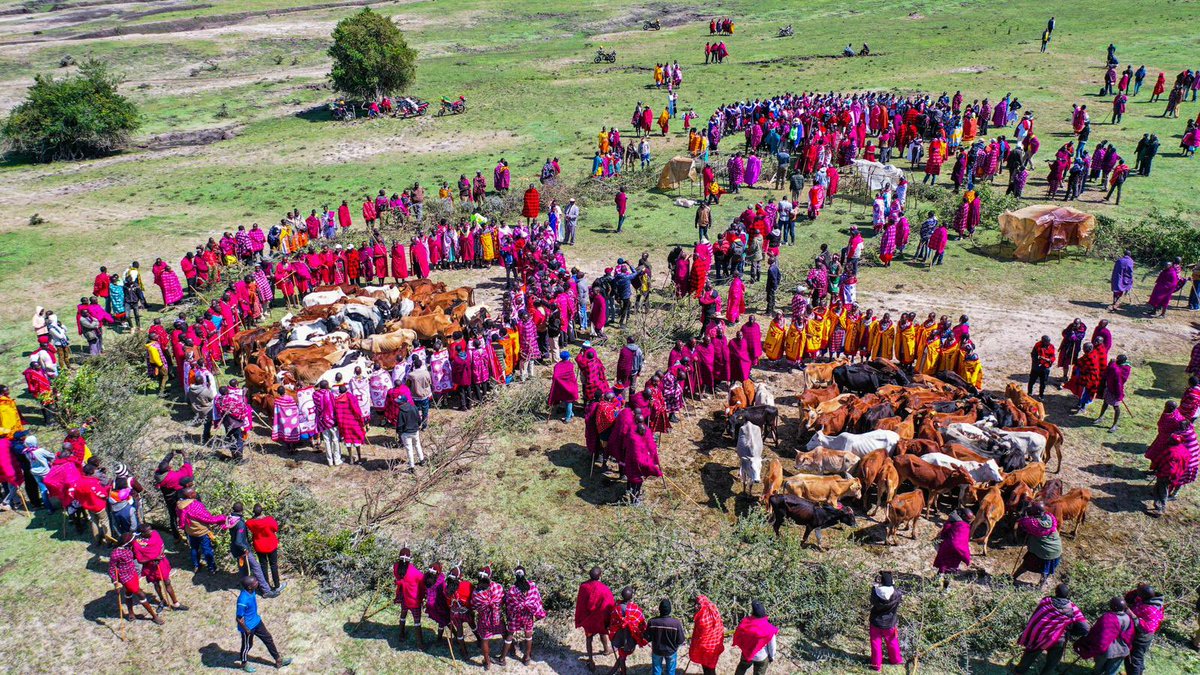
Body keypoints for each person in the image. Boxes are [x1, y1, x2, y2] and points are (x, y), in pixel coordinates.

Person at [1014, 583, 1088, 675]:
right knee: (1052, 662)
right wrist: (1070, 631)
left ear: (1055, 592)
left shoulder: (1046, 601)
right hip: (1059, 638)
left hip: (1040, 635)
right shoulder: (1073, 608)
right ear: (1068, 595)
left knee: (1030, 653)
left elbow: (1036, 617)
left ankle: (1019, 672)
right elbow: (1085, 629)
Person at [236, 576, 292, 672]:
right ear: (250, 587)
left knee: (268, 638)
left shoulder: (251, 591)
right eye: (255, 582)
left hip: (257, 622)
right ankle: (244, 664)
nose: (257, 582)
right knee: (247, 646)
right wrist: (246, 629)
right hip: (248, 627)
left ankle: (279, 660)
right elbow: (238, 618)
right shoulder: (242, 600)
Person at [109, 533, 164, 625]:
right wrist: (115, 583)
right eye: (133, 541)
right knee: (141, 595)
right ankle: (154, 616)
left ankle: (131, 614)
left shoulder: (128, 548)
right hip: (125, 577)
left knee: (128, 593)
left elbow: (137, 556)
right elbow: (111, 568)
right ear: (128, 543)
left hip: (133, 573)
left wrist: (152, 557)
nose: (135, 542)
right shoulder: (116, 554)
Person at [132, 523, 187, 611]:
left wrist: (160, 555)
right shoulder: (137, 544)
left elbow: (162, 545)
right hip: (150, 567)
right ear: (142, 533)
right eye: (148, 531)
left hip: (161, 563)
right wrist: (153, 559)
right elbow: (140, 560)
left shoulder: (155, 534)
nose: (151, 531)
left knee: (167, 582)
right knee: (156, 584)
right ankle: (162, 600)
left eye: (151, 529)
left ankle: (176, 603)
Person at [1073, 597, 1135, 675]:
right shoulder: (1129, 618)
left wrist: (1086, 641)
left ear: (1113, 606)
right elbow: (1129, 636)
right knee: (1111, 672)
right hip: (1122, 650)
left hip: (1106, 650)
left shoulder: (1108, 618)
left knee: (1098, 671)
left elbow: (1097, 633)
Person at [503, 566, 546, 666]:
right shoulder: (532, 585)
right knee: (528, 635)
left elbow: (509, 604)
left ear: (515, 576)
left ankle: (502, 658)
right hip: (528, 615)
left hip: (515, 616)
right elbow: (537, 599)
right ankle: (527, 657)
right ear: (525, 574)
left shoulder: (512, 590)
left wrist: (509, 615)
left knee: (510, 634)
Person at [575, 567, 616, 670]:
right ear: (600, 576)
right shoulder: (604, 589)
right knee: (602, 632)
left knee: (589, 639)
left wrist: (580, 618)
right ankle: (606, 650)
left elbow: (581, 604)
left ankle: (591, 661)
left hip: (588, 620)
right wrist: (609, 620)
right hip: (600, 619)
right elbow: (610, 605)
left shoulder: (584, 586)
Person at [177, 486, 224, 573]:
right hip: (202, 532)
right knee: (207, 550)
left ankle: (196, 566)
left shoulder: (180, 505)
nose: (196, 493)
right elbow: (208, 519)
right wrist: (222, 518)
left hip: (190, 532)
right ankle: (211, 568)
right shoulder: (195, 505)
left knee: (194, 548)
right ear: (190, 496)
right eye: (194, 492)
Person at [1014, 503, 1062, 587]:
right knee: (1046, 570)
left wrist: (1024, 515)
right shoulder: (1051, 518)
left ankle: (1013, 578)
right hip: (1056, 550)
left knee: (1026, 564)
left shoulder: (1035, 524)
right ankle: (1040, 586)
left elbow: (1022, 522)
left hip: (1044, 551)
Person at [606, 586, 648, 675]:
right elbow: (641, 623)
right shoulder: (635, 609)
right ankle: (622, 673)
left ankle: (615, 671)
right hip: (630, 637)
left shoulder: (616, 608)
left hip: (618, 636)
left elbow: (612, 621)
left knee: (622, 654)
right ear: (631, 597)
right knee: (622, 656)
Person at [1124, 584, 1164, 675]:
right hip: (1143, 635)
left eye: (1139, 593)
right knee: (1138, 657)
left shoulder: (1150, 609)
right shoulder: (1153, 600)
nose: (1137, 594)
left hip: (1142, 637)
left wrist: (1132, 615)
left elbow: (1145, 628)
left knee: (1133, 659)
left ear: (1144, 595)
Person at [868, 571, 903, 671]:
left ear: (881, 582)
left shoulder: (876, 592)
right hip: (890, 623)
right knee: (892, 642)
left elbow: (872, 601)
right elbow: (898, 595)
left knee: (876, 643)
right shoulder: (896, 593)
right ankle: (896, 660)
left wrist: (874, 587)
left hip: (876, 622)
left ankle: (876, 665)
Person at [393, 548, 427, 649]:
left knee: (403, 614)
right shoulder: (415, 572)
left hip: (403, 596)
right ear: (409, 558)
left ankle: (401, 634)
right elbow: (423, 583)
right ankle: (420, 645)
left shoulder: (396, 567)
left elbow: (397, 578)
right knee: (417, 622)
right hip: (413, 600)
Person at [732, 600, 778, 675]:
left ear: (753, 612)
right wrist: (772, 657)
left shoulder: (745, 623)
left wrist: (743, 647)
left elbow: (739, 634)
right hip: (761, 657)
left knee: (741, 668)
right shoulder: (769, 629)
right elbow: (772, 646)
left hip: (746, 654)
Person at [932, 509, 973, 589]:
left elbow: (944, 533)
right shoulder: (966, 527)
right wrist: (967, 558)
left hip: (947, 548)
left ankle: (936, 582)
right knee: (950, 569)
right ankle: (945, 588)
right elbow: (965, 540)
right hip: (958, 552)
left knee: (943, 565)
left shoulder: (951, 522)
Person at [246, 504, 281, 592]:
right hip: (271, 545)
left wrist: (254, 517)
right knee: (273, 565)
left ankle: (266, 586)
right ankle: (277, 585)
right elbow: (276, 528)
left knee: (263, 566)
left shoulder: (250, 522)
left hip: (259, 546)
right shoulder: (269, 520)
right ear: (262, 511)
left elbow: (248, 523)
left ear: (254, 512)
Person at [647, 598, 686, 675]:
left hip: (657, 651)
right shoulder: (676, 623)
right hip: (671, 651)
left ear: (659, 609)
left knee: (656, 672)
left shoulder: (652, 622)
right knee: (671, 672)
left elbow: (647, 638)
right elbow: (680, 640)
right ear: (670, 610)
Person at [687, 594, 724, 675]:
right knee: (711, 666)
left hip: (706, 648)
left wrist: (693, 648)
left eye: (698, 604)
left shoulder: (702, 620)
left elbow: (698, 637)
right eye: (696, 603)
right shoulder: (713, 609)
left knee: (708, 668)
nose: (696, 606)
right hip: (715, 644)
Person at [1096, 354, 1131, 432]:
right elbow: (1108, 372)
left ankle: (1114, 425)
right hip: (1109, 388)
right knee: (1105, 402)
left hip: (1116, 391)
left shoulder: (1125, 369)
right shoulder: (1115, 366)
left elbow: (1119, 378)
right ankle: (1100, 417)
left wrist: (1112, 364)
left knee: (1116, 407)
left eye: (1118, 359)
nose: (1116, 360)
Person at [395, 394, 425, 471]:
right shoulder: (414, 407)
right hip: (415, 431)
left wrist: (399, 433)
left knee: (409, 449)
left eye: (399, 402)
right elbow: (419, 419)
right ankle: (422, 460)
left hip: (406, 433)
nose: (398, 403)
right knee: (417, 445)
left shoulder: (401, 412)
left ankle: (412, 467)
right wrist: (417, 427)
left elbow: (400, 425)